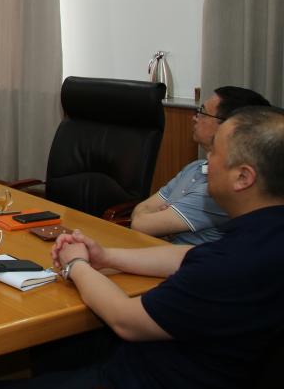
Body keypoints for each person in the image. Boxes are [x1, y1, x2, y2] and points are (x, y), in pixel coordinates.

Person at [31, 106, 284, 389]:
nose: (206, 162)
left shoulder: (230, 265)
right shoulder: (262, 236)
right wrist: (106, 256)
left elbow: (125, 320)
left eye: (214, 153)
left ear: (243, 177)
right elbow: (187, 255)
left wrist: (76, 265)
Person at [131, 86, 270, 244]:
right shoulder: (195, 167)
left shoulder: (224, 186)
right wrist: (159, 222)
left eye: (202, 112)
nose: (194, 118)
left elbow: (141, 225)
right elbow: (141, 210)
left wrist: (158, 221)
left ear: (228, 126)